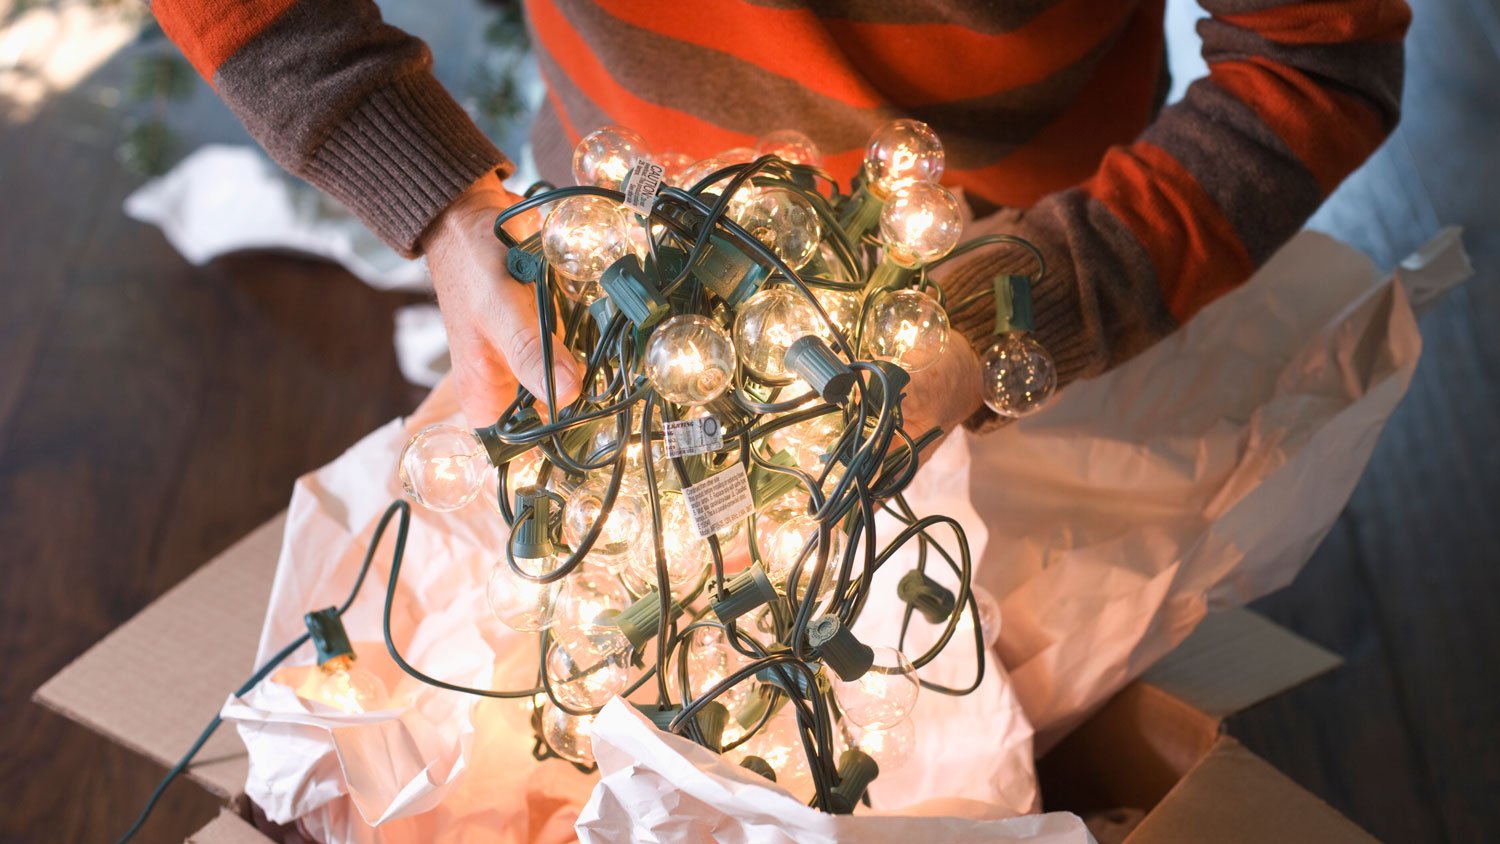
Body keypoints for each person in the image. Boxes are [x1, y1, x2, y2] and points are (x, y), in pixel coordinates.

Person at [150, 0, 1409, 436]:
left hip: (1037, 306)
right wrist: (448, 207)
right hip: (610, 255)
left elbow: (1309, 63)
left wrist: (1025, 310)